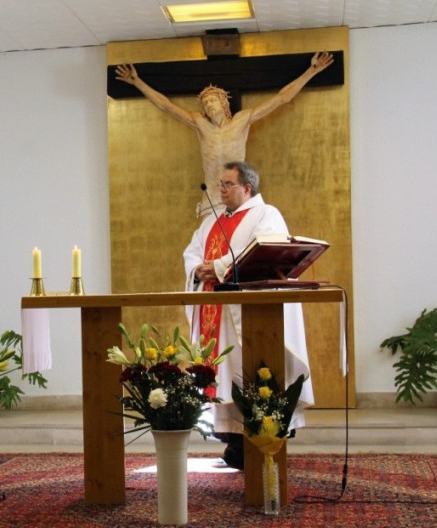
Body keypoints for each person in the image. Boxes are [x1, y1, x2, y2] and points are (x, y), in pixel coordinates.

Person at [182, 161, 313, 468]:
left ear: (247, 188)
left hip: (248, 315)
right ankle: (234, 445)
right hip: (217, 314)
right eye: (220, 185)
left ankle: (262, 442)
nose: (221, 190)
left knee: (251, 373)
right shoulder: (211, 222)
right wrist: (198, 269)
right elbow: (192, 252)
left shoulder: (266, 215)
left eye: (228, 184)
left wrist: (216, 267)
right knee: (225, 377)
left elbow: (263, 251)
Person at [115, 52, 333, 217]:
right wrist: (137, 82)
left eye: (213, 100)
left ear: (224, 103)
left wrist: (312, 70)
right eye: (205, 103)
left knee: (238, 250)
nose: (209, 105)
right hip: (212, 196)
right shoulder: (200, 124)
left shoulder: (242, 120)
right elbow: (166, 106)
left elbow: (281, 98)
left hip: (238, 196)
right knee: (210, 249)